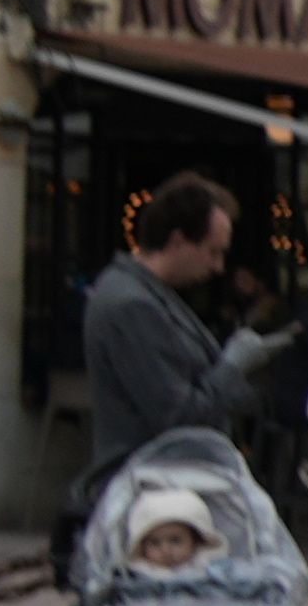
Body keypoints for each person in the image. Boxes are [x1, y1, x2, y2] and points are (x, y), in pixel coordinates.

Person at [77, 177, 240, 521]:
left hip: (165, 489)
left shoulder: (147, 294)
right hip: (151, 498)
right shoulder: (131, 304)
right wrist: (233, 368)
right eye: (213, 251)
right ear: (178, 241)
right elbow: (178, 416)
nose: (217, 266)